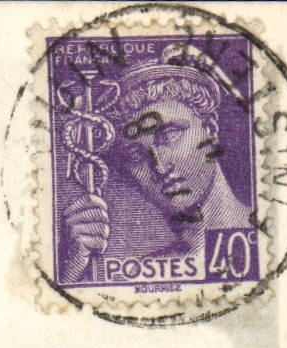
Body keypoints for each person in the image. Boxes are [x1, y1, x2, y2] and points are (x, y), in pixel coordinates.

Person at [60, 44, 250, 282]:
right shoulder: (139, 274)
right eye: (136, 155)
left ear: (210, 131)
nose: (159, 167)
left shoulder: (267, 235)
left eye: (170, 135)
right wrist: (72, 266)